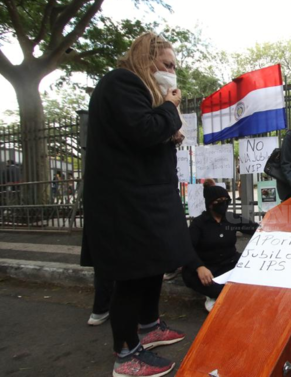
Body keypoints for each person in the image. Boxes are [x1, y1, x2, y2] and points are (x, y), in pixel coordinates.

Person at [80, 32, 194, 377]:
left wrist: (169, 125)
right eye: (167, 64)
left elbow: (147, 135)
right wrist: (171, 108)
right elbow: (144, 130)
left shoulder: (141, 90)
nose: (172, 72)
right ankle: (126, 354)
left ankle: (149, 325)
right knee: (131, 274)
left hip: (147, 195)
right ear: (147, 60)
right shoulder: (121, 82)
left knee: (152, 265)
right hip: (127, 201)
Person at [182, 179, 259, 312]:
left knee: (252, 281)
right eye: (219, 200)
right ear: (210, 204)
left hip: (230, 263)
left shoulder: (231, 218)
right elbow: (186, 249)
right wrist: (199, 267)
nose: (224, 203)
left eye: (226, 199)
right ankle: (212, 295)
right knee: (223, 291)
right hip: (206, 268)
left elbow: (255, 228)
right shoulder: (198, 224)